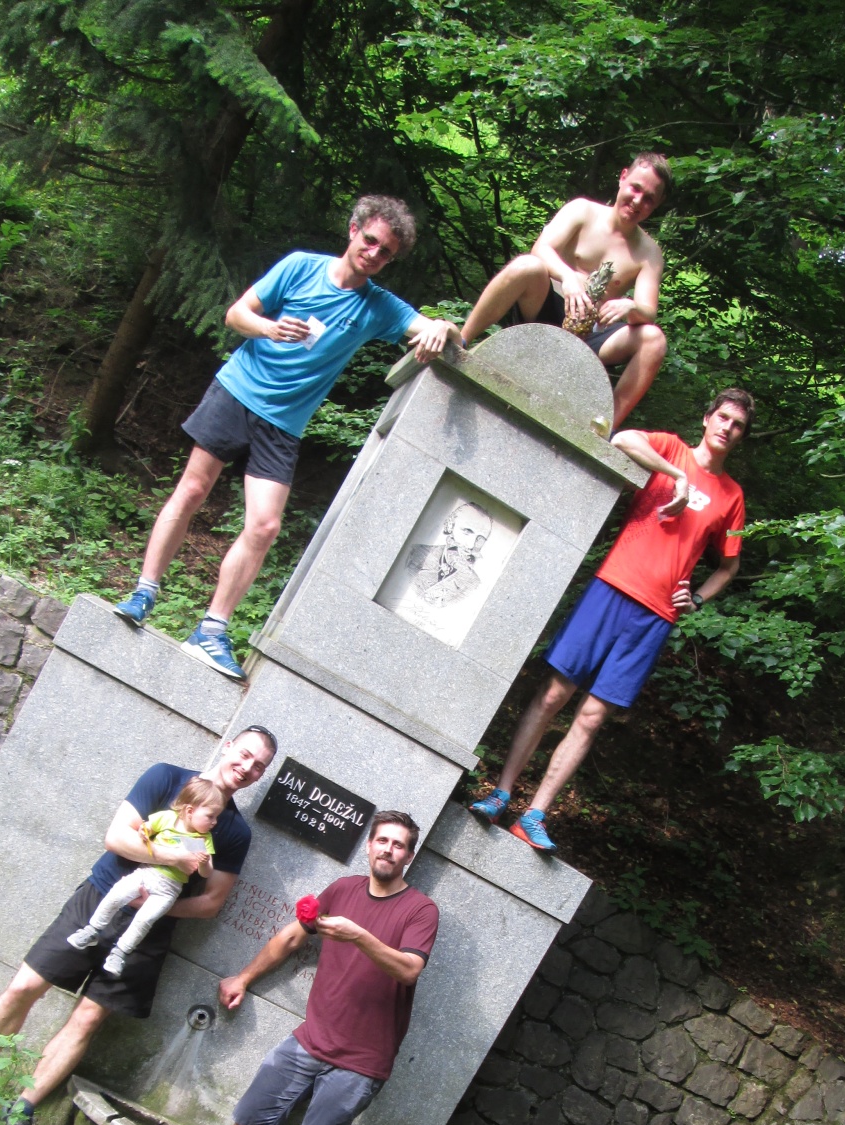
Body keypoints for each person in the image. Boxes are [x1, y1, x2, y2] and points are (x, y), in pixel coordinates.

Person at [115, 197, 456, 681]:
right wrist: (270, 328)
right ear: (353, 230)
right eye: (370, 241)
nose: (374, 254)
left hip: (283, 424)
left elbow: (442, 331)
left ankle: (211, 631)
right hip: (236, 392)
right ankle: (144, 592)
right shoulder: (300, 267)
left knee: (264, 526)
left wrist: (443, 326)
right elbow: (237, 314)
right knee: (192, 490)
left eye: (386, 253)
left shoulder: (378, 305)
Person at [0, 728, 277, 1125]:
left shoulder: (233, 831)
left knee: (87, 1020)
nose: (247, 768)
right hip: (99, 898)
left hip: (148, 930)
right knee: (23, 987)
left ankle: (21, 1111)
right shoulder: (165, 777)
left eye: (259, 766)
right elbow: (118, 837)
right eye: (245, 755)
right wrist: (173, 858)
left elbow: (210, 903)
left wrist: (157, 906)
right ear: (228, 746)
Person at [471, 388, 753, 853]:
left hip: (656, 615)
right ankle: (500, 794)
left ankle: (534, 814)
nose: (727, 428)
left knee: (593, 716)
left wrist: (697, 599)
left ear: (741, 435)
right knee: (553, 695)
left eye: (737, 425)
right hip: (611, 587)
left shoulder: (733, 495)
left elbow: (729, 566)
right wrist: (677, 477)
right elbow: (622, 439)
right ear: (707, 418)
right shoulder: (670, 449)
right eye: (723, 417)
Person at [178, 810, 439, 1125]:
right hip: (310, 1039)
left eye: (398, 845)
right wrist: (244, 977)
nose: (388, 850)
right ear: (369, 846)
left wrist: (359, 936)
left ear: (409, 857)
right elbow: (291, 938)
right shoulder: (341, 890)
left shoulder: (420, 910)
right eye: (382, 840)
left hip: (362, 1063)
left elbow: (409, 969)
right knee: (249, 1117)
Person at [460, 155, 671, 428]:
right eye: (636, 188)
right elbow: (541, 248)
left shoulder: (649, 253)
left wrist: (631, 307)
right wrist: (567, 276)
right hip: (547, 306)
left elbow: (648, 312)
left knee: (654, 340)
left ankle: (605, 428)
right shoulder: (583, 210)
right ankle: (461, 341)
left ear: (657, 204)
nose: (638, 201)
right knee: (527, 265)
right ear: (622, 178)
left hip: (592, 332)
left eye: (649, 198)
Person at [66, 777, 225, 979]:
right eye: (210, 816)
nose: (214, 822)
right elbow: (147, 827)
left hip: (169, 889)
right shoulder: (168, 819)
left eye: (216, 817)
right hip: (146, 873)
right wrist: (145, 830)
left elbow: (206, 873)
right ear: (190, 811)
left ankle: (120, 952)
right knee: (116, 895)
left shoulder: (200, 839)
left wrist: (204, 862)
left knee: (145, 919)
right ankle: (92, 929)